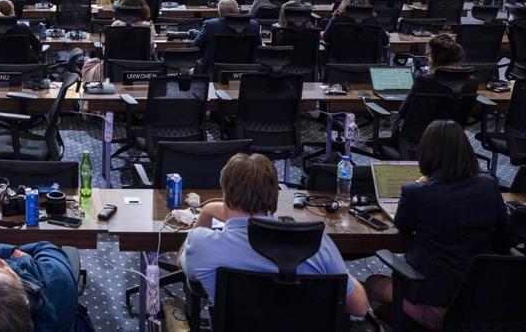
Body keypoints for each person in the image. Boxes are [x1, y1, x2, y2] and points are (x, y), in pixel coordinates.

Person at [178, 153, 368, 317]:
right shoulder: (318, 244)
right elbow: (359, 308)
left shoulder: (202, 244)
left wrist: (206, 212)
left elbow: (183, 262)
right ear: (274, 197)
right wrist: (343, 273)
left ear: (225, 196)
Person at [365, 120, 508, 330]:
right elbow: (503, 243)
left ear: (427, 153)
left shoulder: (416, 193)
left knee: (372, 284)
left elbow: (403, 226)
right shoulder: (490, 186)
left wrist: (418, 184)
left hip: (433, 303)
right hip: (478, 302)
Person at [190, 0, 260, 73]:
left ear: (219, 12)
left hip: (213, 73)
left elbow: (195, 46)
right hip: (245, 72)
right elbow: (258, 48)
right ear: (238, 10)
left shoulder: (211, 25)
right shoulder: (254, 26)